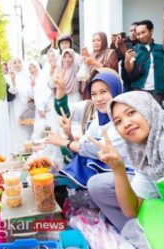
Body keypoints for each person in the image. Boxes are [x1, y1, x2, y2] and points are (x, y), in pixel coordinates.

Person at [91, 91, 164, 248]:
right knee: (150, 210)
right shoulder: (146, 154)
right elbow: (134, 209)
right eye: (118, 122)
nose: (126, 123)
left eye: (131, 112)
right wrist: (117, 168)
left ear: (148, 108)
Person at [46, 72, 134, 231]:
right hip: (114, 168)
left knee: (95, 185)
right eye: (94, 94)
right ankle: (110, 220)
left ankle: (129, 228)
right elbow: (84, 145)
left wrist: (66, 142)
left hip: (132, 172)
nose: (98, 98)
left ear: (115, 90)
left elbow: (94, 148)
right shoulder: (97, 117)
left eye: (104, 92)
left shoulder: (122, 117)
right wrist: (69, 135)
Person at [125, 20, 164, 105]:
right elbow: (129, 70)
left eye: (143, 32)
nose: (140, 36)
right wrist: (126, 61)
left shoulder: (161, 48)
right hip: (139, 89)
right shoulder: (135, 49)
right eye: (138, 34)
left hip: (157, 90)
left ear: (151, 31)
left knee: (156, 116)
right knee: (140, 116)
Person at [81, 32, 118, 99]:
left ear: (104, 41)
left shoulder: (110, 52)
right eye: (94, 41)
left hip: (105, 88)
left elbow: (111, 71)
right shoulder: (92, 54)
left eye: (98, 40)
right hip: (92, 89)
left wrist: (94, 63)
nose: (96, 42)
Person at [7, 56, 33, 152]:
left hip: (28, 107)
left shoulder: (28, 75)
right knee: (19, 129)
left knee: (28, 128)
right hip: (17, 107)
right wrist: (13, 80)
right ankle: (19, 151)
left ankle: (29, 151)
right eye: (14, 63)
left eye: (19, 62)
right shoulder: (11, 77)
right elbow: (13, 91)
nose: (17, 64)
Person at [28, 61, 58, 139]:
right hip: (39, 107)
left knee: (50, 125)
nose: (32, 70)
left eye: (34, 67)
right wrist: (32, 85)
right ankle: (43, 147)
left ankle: (51, 144)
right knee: (40, 128)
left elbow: (47, 92)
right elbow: (32, 95)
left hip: (48, 104)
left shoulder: (44, 76)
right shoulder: (31, 80)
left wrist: (42, 108)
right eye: (30, 68)